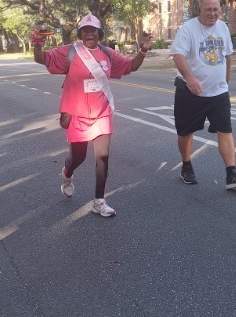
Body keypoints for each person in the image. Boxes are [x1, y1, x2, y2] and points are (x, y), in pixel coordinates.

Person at [32, 14, 152, 217]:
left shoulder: (108, 54)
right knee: (78, 157)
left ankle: (99, 201)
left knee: (102, 157)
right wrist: (37, 45)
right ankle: (67, 174)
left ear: (99, 33)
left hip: (101, 114)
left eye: (93, 30)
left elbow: (131, 66)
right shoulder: (69, 52)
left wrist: (143, 50)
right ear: (80, 33)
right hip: (76, 115)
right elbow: (42, 59)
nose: (89, 33)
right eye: (85, 30)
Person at [170, 0, 236, 190]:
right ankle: (187, 166)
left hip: (218, 92)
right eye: (208, 9)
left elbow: (226, 56)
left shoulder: (222, 28)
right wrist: (190, 79)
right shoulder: (188, 29)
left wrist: (226, 80)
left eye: (216, 9)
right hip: (191, 93)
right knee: (186, 132)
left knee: (225, 129)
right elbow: (178, 55)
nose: (213, 13)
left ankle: (231, 174)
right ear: (199, 8)